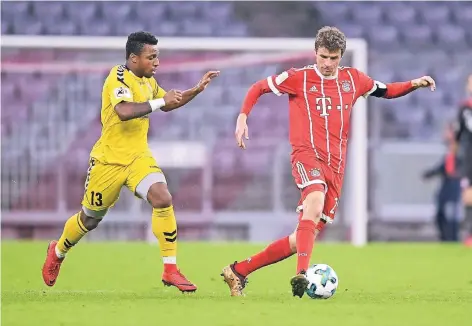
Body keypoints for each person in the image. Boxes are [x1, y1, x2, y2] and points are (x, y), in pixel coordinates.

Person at [221, 26, 436, 298]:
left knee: (300, 237)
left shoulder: (353, 80)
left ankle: (238, 271)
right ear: (315, 53)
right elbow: (259, 87)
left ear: (341, 57)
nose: (327, 63)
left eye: (333, 58)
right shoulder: (298, 78)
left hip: (335, 166)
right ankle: (301, 274)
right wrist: (242, 117)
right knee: (314, 201)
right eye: (323, 56)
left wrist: (414, 83)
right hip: (306, 155)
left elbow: (386, 90)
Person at [41, 31, 219, 292]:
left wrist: (197, 89)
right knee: (90, 219)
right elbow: (124, 111)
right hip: (108, 161)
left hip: (138, 157)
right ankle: (57, 252)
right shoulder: (118, 77)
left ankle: (170, 269)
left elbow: (169, 104)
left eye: (158, 56)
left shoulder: (148, 81)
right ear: (134, 58)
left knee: (162, 198)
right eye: (152, 57)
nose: (157, 62)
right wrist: (160, 101)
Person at [422, 122, 462, 242]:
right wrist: (431, 173)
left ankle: (451, 240)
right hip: (447, 186)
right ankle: (446, 240)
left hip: (454, 186)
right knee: (441, 215)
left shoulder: (460, 149)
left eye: (447, 131)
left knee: (450, 216)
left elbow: (454, 168)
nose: (444, 134)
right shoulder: (450, 150)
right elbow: (444, 167)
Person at [454, 74, 472, 246]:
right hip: (469, 158)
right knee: (468, 196)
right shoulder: (464, 109)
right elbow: (458, 136)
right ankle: (470, 235)